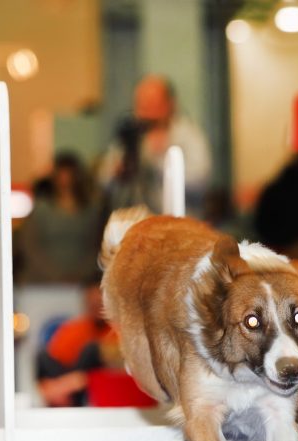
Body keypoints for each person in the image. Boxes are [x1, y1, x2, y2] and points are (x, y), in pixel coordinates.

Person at [99, 75, 211, 216]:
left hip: (181, 223)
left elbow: (200, 182)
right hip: (139, 223)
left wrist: (158, 160)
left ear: (170, 104)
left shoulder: (188, 135)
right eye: (140, 104)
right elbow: (103, 180)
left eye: (152, 104)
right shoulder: (131, 135)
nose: (145, 111)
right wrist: (118, 170)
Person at [16, 151, 101, 284]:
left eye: (69, 175)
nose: (65, 180)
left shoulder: (91, 210)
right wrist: (54, 275)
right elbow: (29, 245)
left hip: (80, 282)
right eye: (61, 175)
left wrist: (79, 275)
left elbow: (95, 246)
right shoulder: (41, 209)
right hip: (42, 282)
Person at [36, 274, 118, 407]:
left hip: (95, 384)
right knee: (42, 356)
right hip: (70, 382)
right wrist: (61, 384)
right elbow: (53, 361)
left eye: (99, 303)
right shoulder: (72, 329)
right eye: (92, 303)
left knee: (92, 350)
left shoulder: (117, 331)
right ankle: (65, 389)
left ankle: (65, 389)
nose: (96, 306)